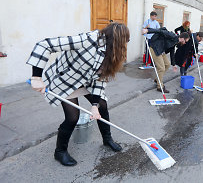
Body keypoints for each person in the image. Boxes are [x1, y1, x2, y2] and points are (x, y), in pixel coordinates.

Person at [27, 23, 130, 166]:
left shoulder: (112, 54)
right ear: (116, 40)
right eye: (124, 42)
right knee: (72, 117)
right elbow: (44, 45)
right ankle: (60, 152)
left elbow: (101, 80)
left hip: (86, 82)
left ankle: (107, 139)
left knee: (102, 106)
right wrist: (36, 78)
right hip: (66, 80)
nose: (125, 46)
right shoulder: (87, 39)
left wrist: (94, 106)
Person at [142, 27, 187, 93]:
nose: (185, 43)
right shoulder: (172, 35)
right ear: (182, 38)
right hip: (155, 48)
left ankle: (157, 79)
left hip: (161, 50)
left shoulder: (175, 41)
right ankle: (160, 86)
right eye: (185, 41)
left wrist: (174, 64)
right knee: (161, 68)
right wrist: (147, 30)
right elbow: (159, 31)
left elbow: (172, 52)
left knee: (167, 64)